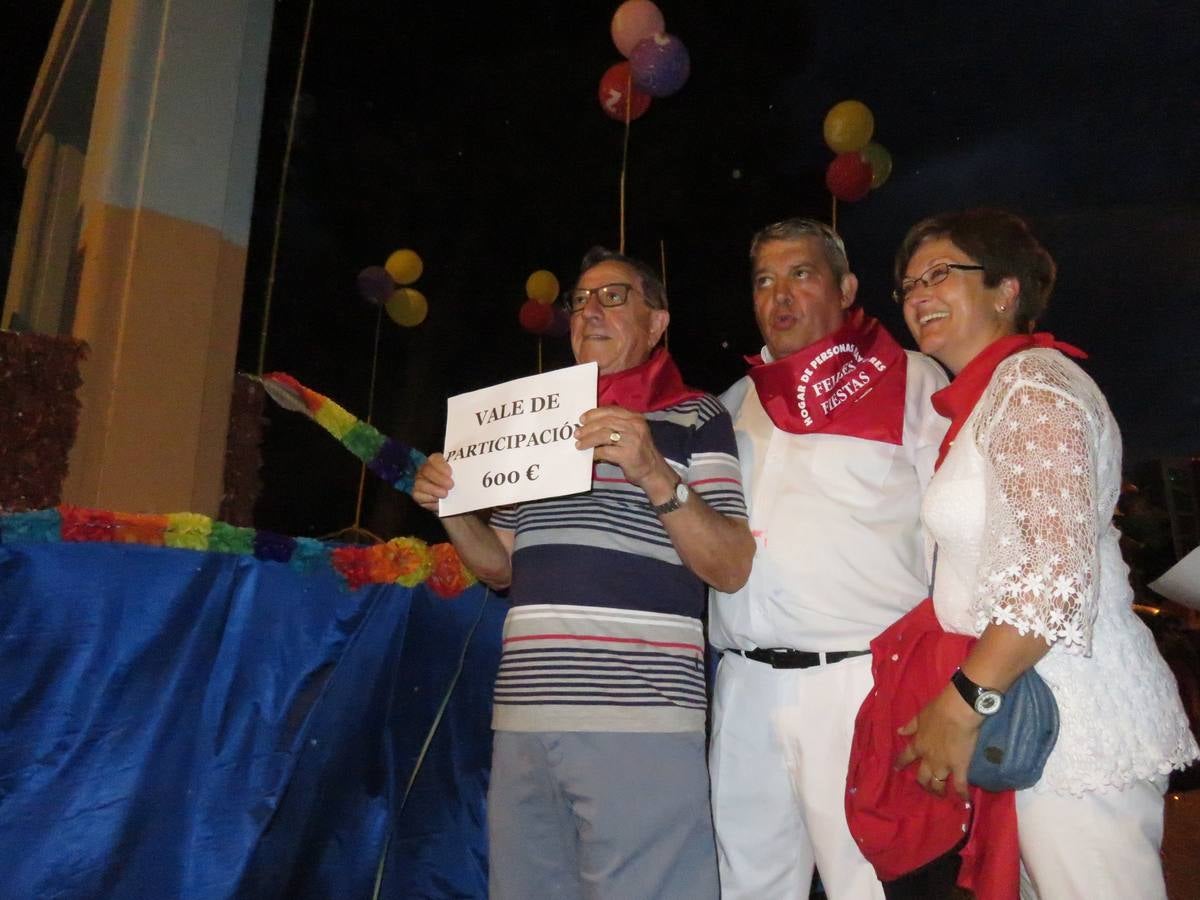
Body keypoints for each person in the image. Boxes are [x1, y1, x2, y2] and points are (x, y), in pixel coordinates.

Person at [411, 246, 755, 900]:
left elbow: (731, 564)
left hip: (640, 718)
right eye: (579, 300)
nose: (589, 309)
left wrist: (653, 470)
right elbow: (500, 568)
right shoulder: (536, 423)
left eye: (613, 295)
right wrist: (451, 509)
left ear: (657, 324)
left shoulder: (694, 417)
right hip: (522, 722)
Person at [889, 208, 1199, 897]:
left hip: (1073, 717)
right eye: (908, 284)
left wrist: (962, 702)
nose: (917, 296)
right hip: (1029, 715)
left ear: (1007, 290)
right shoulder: (989, 398)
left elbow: (1052, 573)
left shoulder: (1033, 387)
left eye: (940, 273)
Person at [707, 218, 950, 899]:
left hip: (860, 686)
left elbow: (962, 536)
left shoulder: (911, 380)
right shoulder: (730, 406)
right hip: (745, 687)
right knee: (747, 885)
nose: (779, 294)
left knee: (865, 887)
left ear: (846, 287)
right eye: (763, 280)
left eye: (801, 274)